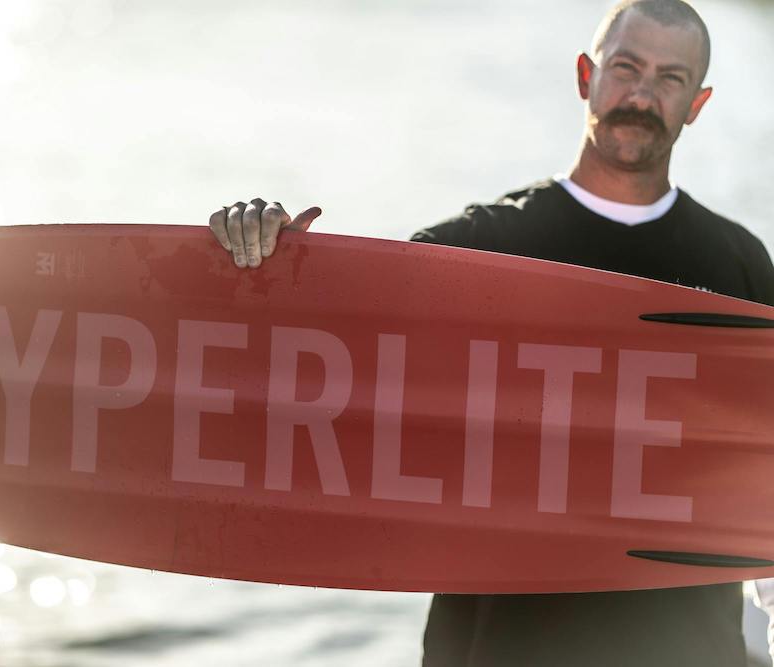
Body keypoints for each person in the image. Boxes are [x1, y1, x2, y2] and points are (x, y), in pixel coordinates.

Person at [206, 0, 774, 665]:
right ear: (586, 74)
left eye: (671, 79)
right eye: (626, 67)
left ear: (697, 104)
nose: (643, 95)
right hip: (496, 648)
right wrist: (267, 267)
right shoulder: (475, 250)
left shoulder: (740, 269)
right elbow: (322, 378)